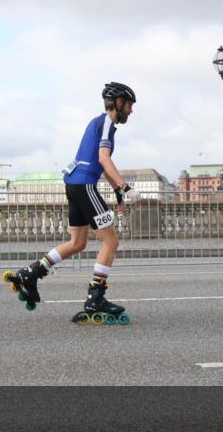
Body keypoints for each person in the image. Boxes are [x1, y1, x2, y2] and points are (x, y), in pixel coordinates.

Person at [12, 82, 136, 322]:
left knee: (77, 242)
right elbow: (103, 158)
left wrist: (117, 191)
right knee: (110, 241)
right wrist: (126, 186)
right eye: (129, 105)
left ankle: (31, 273)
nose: (131, 111)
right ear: (119, 102)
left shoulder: (98, 122)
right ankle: (95, 298)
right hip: (85, 185)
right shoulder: (107, 123)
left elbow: (101, 163)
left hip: (74, 185)